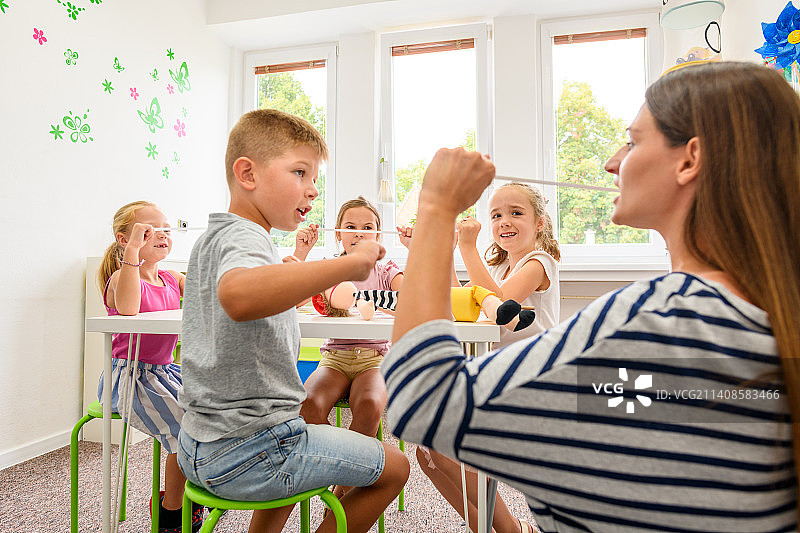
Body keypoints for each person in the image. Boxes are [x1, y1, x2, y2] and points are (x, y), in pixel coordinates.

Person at [382, 61, 800, 532]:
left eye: (632, 142)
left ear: (689, 160)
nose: (611, 162)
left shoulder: (647, 321)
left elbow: (421, 399)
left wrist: (436, 207)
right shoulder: (763, 316)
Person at [177, 109, 409, 533]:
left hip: (199, 442)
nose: (313, 189)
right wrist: (347, 265)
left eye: (315, 178)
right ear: (247, 173)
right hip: (255, 446)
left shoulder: (216, 237)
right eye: (301, 172)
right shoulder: (246, 236)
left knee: (306, 439)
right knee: (396, 468)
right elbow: (239, 296)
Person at [410, 182, 560, 533]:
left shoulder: (540, 263)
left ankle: (512, 531)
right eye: (496, 215)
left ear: (539, 222)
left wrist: (467, 247)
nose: (504, 221)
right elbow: (465, 301)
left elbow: (501, 308)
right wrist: (449, 251)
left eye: (516, 213)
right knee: (427, 454)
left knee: (442, 448)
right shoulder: (498, 268)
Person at [97, 201, 201, 532]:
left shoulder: (171, 278)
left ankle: (194, 490)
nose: (162, 235)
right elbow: (129, 308)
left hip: (166, 372)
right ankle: (172, 511)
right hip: (130, 377)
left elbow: (207, 293)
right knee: (186, 429)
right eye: (148, 230)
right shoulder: (121, 278)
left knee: (213, 411)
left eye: (166, 229)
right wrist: (132, 253)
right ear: (124, 238)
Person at [301, 197, 402, 438]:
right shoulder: (328, 269)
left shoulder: (386, 271)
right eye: (350, 227)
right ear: (338, 234)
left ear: (378, 236)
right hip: (335, 359)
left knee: (368, 405)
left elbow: (413, 301)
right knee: (307, 406)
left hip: (375, 360)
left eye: (367, 227)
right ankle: (345, 456)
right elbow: (291, 299)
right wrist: (301, 253)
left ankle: (350, 460)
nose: (359, 233)